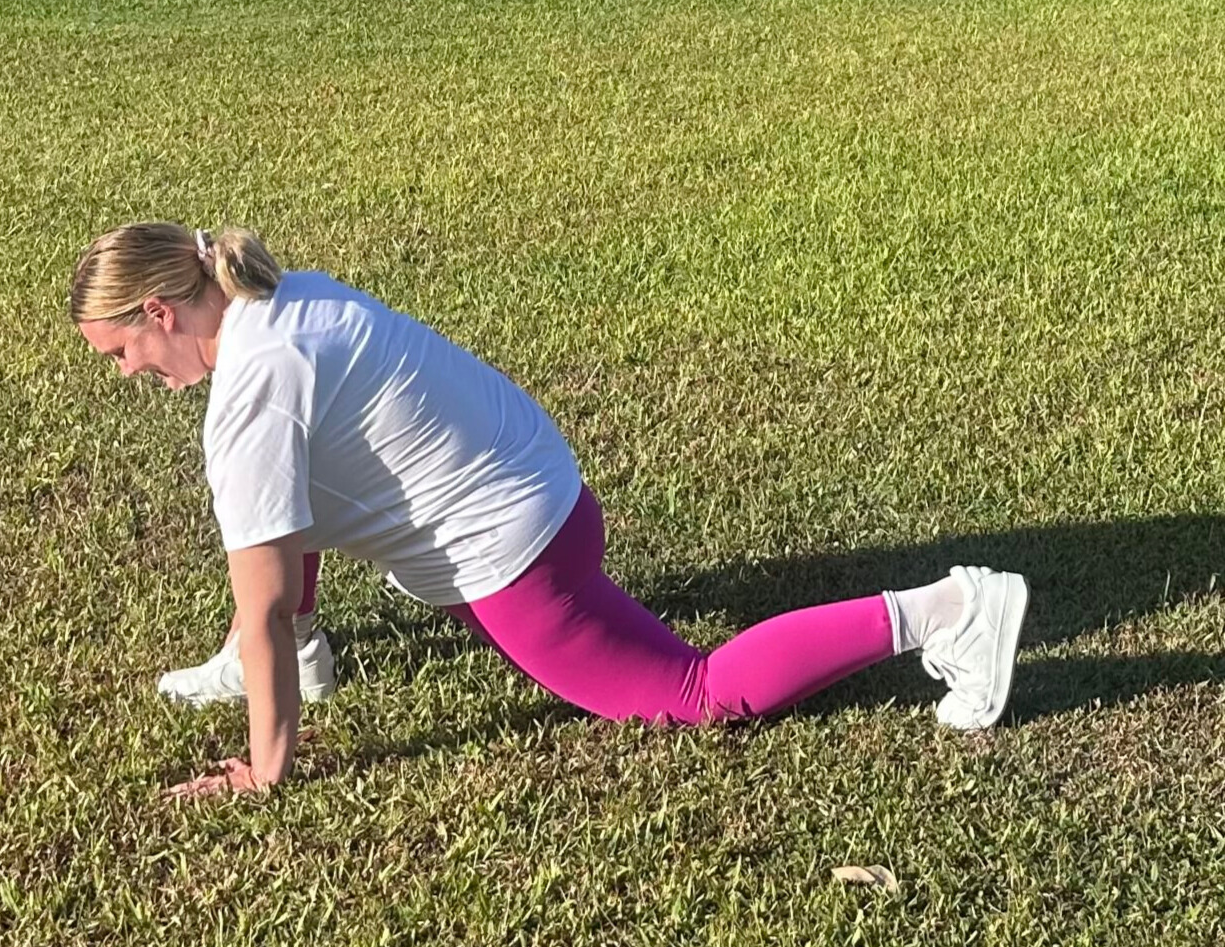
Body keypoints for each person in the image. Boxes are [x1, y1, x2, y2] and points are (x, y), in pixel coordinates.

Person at [71, 222, 1029, 798]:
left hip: (518, 550)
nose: (128, 377)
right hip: (542, 491)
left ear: (161, 311)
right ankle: (293, 670)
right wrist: (280, 644)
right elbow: (293, 511)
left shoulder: (253, 386)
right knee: (284, 505)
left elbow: (266, 596)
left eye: (120, 354)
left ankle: (952, 610)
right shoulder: (278, 298)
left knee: (693, 697)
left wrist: (266, 769)